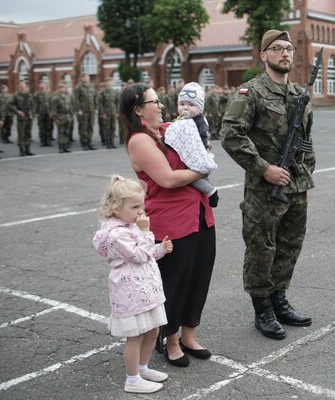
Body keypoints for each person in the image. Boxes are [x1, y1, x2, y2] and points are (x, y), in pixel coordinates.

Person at [221, 29, 314, 340]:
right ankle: (262, 308)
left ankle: (279, 299)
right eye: (276, 49)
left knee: (289, 246)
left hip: (296, 187)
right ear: (263, 55)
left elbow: (306, 142)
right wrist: (264, 169)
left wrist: (306, 172)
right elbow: (231, 135)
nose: (284, 54)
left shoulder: (300, 94)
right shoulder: (251, 93)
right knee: (262, 248)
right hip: (264, 189)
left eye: (288, 49)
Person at [121, 83, 216, 367]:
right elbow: (168, 179)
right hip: (171, 221)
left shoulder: (167, 129)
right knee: (175, 283)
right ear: (139, 109)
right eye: (155, 102)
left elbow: (199, 138)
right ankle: (171, 340)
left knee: (199, 275)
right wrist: (204, 167)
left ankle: (190, 334)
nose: (162, 106)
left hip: (199, 213)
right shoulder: (139, 140)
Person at [92, 176, 172, 394]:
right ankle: (132, 379)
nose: (141, 211)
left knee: (153, 330)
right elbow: (138, 255)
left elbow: (147, 255)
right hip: (131, 294)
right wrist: (146, 233)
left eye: (142, 205)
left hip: (145, 290)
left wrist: (161, 250)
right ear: (117, 208)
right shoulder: (117, 234)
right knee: (135, 335)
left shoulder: (130, 225)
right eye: (135, 206)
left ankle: (143, 367)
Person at [164, 82, 219, 205]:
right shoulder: (187, 120)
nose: (185, 108)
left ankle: (211, 191)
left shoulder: (193, 122)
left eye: (191, 104)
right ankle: (210, 188)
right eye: (182, 104)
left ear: (200, 108)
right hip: (200, 153)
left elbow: (182, 137)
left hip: (196, 155)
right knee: (202, 176)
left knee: (190, 176)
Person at [9, 80, 35, 156]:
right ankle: (21, 151)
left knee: (28, 133)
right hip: (21, 117)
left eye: (23, 84)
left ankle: (28, 150)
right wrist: (17, 112)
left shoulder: (28, 95)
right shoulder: (15, 95)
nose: (22, 85)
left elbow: (33, 104)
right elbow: (9, 105)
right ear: (18, 86)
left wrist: (33, 113)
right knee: (21, 134)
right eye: (20, 84)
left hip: (29, 116)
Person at [74, 74, 97, 150]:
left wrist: (96, 108)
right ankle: (84, 142)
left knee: (90, 126)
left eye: (88, 77)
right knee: (84, 126)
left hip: (91, 109)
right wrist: (78, 109)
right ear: (82, 78)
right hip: (83, 110)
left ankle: (89, 141)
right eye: (85, 77)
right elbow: (76, 99)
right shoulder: (79, 87)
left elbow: (95, 97)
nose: (87, 78)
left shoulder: (92, 86)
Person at [50, 81, 74, 153]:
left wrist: (71, 115)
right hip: (60, 117)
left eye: (64, 87)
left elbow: (70, 107)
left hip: (67, 116)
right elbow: (54, 109)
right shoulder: (56, 98)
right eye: (61, 87)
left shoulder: (68, 96)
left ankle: (65, 146)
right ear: (59, 89)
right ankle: (61, 147)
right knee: (61, 132)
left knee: (67, 132)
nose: (63, 89)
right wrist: (56, 118)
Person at [34, 81, 53, 147]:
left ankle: (48, 141)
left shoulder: (49, 94)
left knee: (48, 128)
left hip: (48, 113)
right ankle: (42, 141)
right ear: (39, 87)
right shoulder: (37, 94)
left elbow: (51, 103)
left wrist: (51, 112)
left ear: (45, 87)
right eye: (41, 86)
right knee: (41, 128)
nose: (42, 87)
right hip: (40, 113)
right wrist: (36, 113)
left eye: (43, 86)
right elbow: (35, 104)